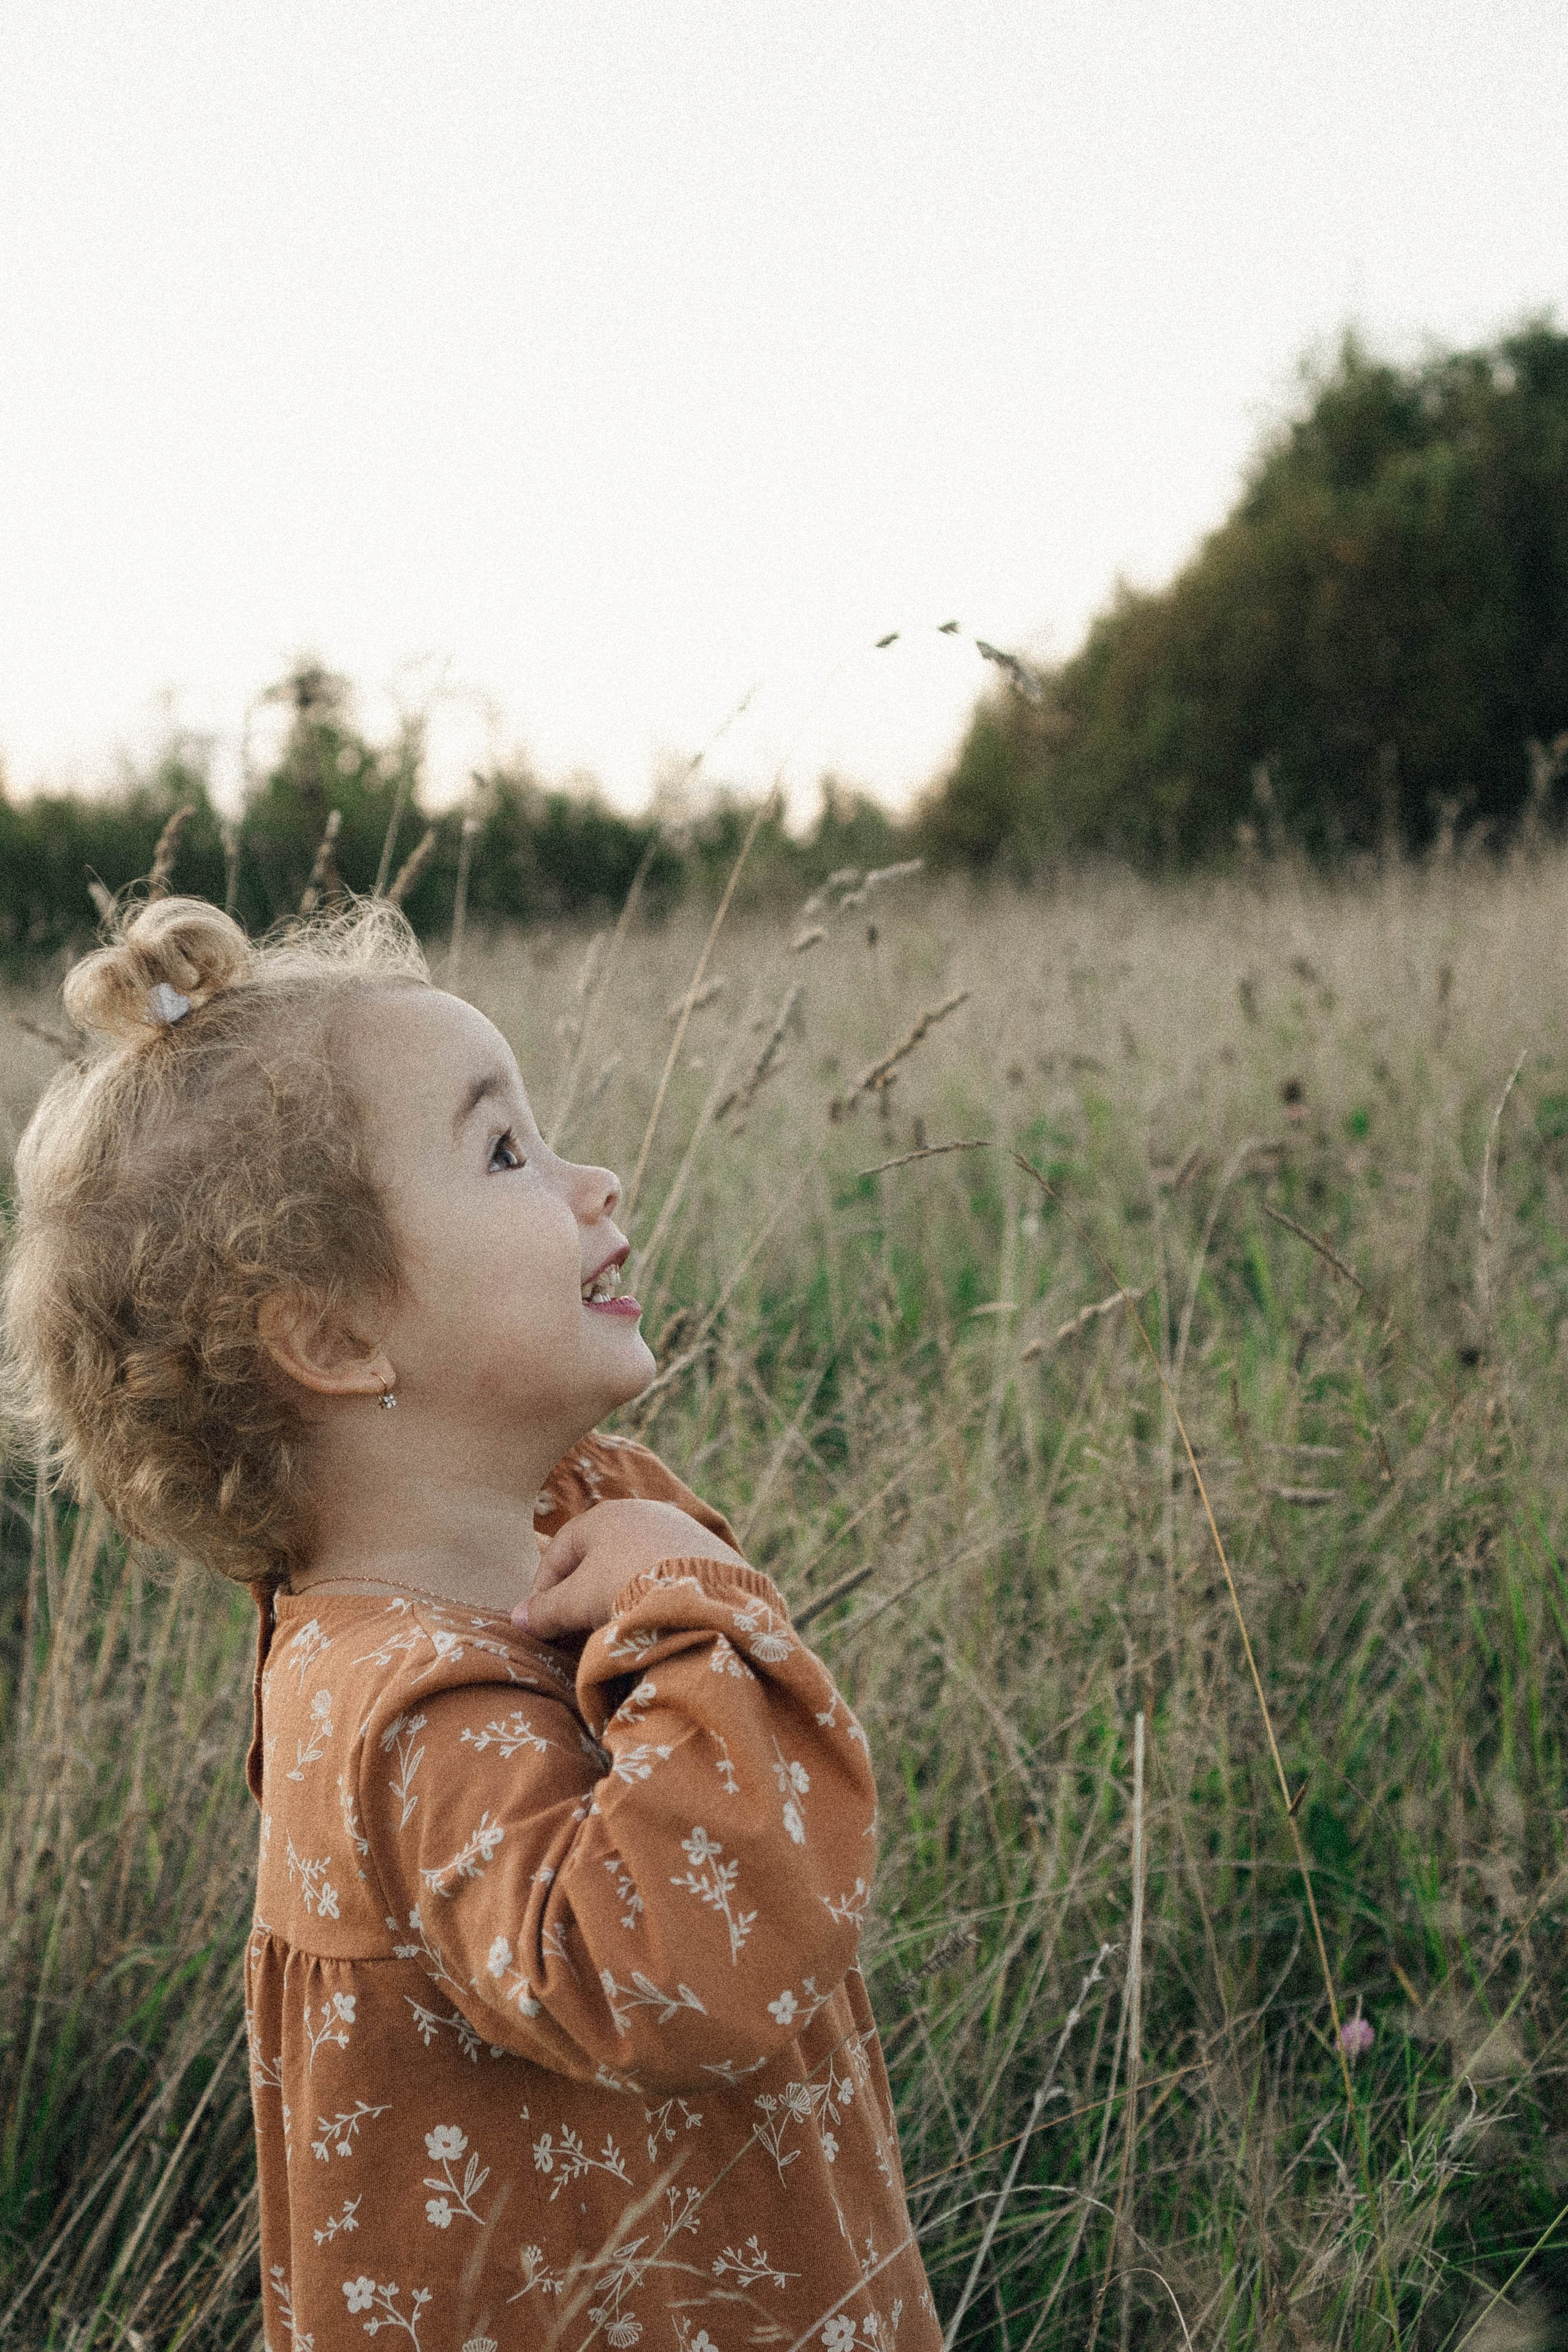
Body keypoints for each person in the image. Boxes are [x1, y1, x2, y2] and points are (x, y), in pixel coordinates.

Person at [2, 894, 940, 2352]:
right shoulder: (409, 1708)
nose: (598, 1181)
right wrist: (690, 1603)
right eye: (505, 1151)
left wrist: (647, 1563)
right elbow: (671, 1968)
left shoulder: (548, 1539)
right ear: (334, 1336)